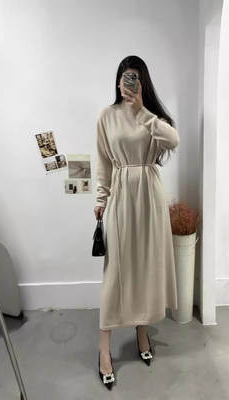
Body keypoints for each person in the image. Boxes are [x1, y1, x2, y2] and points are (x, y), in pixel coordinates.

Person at [93, 55, 180, 390]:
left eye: (134, 78)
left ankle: (142, 334)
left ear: (143, 83)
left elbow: (173, 141)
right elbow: (103, 161)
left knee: (146, 267)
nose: (128, 84)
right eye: (124, 77)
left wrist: (142, 111)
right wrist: (100, 199)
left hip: (150, 196)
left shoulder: (152, 118)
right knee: (116, 272)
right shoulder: (107, 116)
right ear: (118, 80)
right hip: (121, 196)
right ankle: (104, 349)